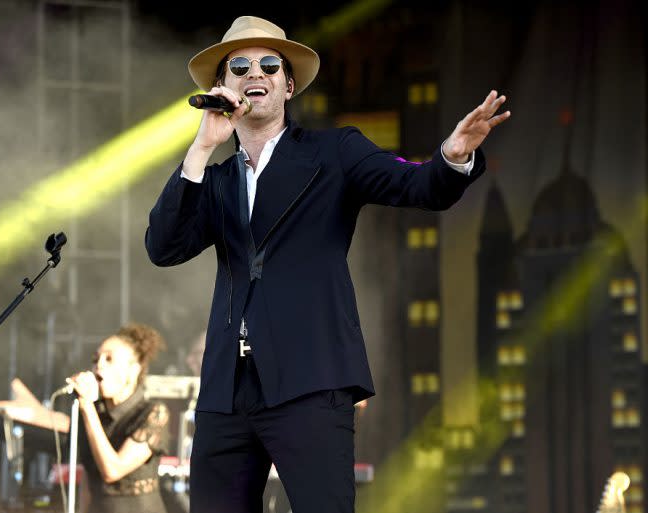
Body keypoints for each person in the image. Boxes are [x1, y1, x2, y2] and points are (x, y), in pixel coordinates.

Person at [145, 15, 510, 513]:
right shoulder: (217, 178)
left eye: (270, 64)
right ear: (223, 87)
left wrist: (452, 156)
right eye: (241, 65)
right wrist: (202, 145)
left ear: (288, 85)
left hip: (309, 382)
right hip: (227, 392)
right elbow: (162, 247)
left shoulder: (334, 152)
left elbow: (417, 186)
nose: (257, 72)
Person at [0, 323, 170, 513]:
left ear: (134, 369)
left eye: (109, 359)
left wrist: (86, 405)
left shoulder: (154, 413)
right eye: (96, 358)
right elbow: (89, 478)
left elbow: (112, 470)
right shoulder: (93, 412)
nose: (98, 364)